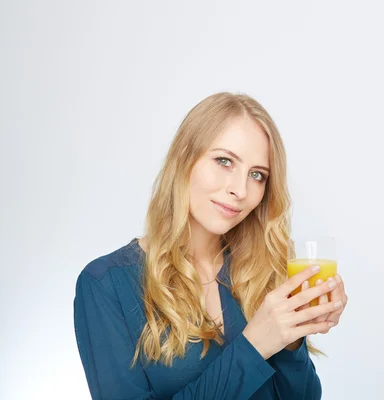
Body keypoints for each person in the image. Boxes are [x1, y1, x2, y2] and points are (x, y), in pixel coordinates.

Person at [73, 92, 348, 399]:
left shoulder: (261, 272)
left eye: (257, 175)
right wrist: (254, 346)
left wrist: (292, 337)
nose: (240, 190)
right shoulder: (106, 285)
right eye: (224, 161)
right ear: (184, 158)